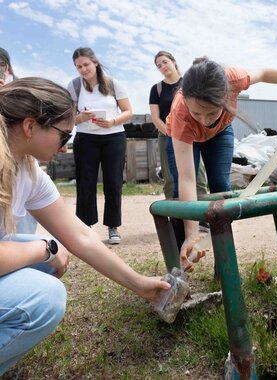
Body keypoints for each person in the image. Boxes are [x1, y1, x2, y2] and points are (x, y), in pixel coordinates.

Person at [0, 77, 170, 376]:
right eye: (63, 136)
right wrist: (43, 248)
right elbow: (47, 247)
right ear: (29, 127)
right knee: (44, 297)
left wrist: (139, 284)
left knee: (50, 260)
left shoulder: (28, 170)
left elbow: (80, 235)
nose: (65, 146)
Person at [165, 57, 277, 269]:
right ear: (186, 100)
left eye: (212, 112)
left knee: (220, 187)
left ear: (226, 95)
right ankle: (180, 262)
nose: (204, 120)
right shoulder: (181, 113)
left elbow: (265, 73)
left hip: (220, 133)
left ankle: (224, 264)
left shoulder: (234, 79)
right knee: (181, 196)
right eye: (197, 112)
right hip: (184, 137)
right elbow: (188, 178)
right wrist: (192, 233)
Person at [67, 47, 131, 244]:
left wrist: (112, 122)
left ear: (95, 62)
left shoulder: (113, 83)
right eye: (79, 67)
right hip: (86, 139)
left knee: (113, 183)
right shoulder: (74, 85)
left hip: (114, 138)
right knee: (85, 183)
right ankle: (86, 227)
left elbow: (128, 112)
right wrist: (80, 117)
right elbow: (68, 119)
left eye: (86, 64)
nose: (83, 69)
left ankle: (113, 227)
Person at [149, 51, 208, 201]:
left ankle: (202, 218)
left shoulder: (188, 83)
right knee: (170, 179)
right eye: (159, 66)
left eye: (165, 62)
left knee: (198, 176)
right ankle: (176, 220)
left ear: (173, 61)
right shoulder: (156, 89)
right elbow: (155, 118)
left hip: (189, 133)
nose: (162, 66)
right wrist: (171, 133)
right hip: (166, 135)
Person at [0, 47, 38, 234]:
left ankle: (23, 239)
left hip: (17, 155)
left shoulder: (18, 91)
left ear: (7, 69)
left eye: (1, 66)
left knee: (22, 194)